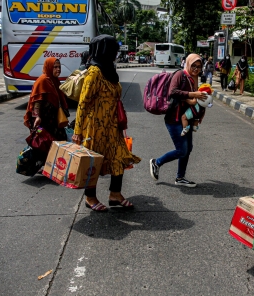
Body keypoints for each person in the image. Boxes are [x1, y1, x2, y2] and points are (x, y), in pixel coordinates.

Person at [72, 35, 141, 212]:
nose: (116, 53)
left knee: (119, 158)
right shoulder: (94, 72)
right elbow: (83, 103)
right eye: (113, 50)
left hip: (112, 126)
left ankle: (115, 194)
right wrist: (78, 131)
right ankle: (90, 197)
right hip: (95, 127)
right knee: (93, 163)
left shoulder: (110, 70)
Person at [149, 54, 208, 188]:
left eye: (199, 66)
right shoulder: (180, 75)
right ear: (187, 63)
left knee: (188, 149)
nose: (196, 69)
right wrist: (192, 95)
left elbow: (197, 101)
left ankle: (180, 177)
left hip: (188, 118)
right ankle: (157, 162)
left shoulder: (196, 79)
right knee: (182, 150)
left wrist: (200, 114)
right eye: (193, 65)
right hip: (174, 118)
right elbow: (172, 92)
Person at [23, 57, 69, 162]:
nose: (58, 69)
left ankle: (54, 164)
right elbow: (37, 101)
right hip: (44, 120)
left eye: (59, 67)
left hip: (53, 119)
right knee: (47, 142)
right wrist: (37, 117)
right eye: (55, 67)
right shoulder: (43, 81)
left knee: (59, 141)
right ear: (49, 67)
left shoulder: (54, 81)